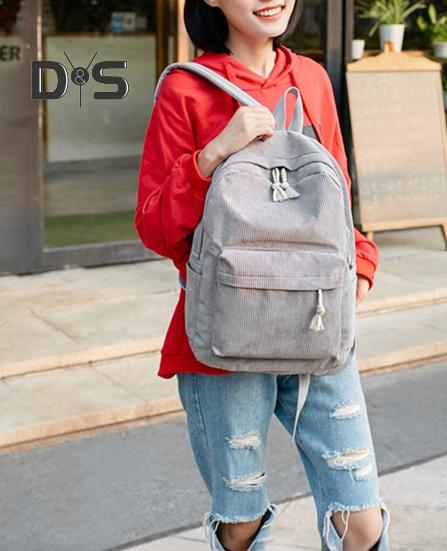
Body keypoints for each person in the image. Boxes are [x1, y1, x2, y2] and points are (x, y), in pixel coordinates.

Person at [134, 1, 391, 549]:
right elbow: (155, 227)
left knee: (361, 519)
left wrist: (361, 265)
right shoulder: (185, 88)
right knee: (241, 522)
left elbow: (336, 196)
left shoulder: (312, 79)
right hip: (225, 337)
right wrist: (214, 154)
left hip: (316, 325)